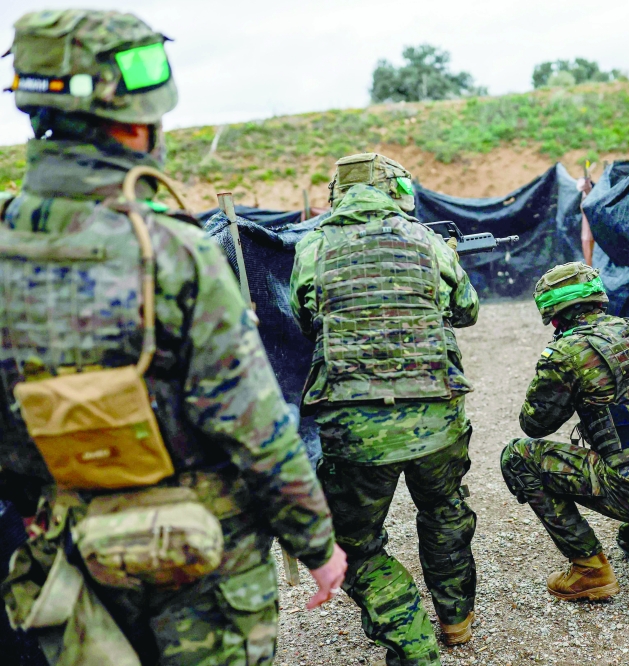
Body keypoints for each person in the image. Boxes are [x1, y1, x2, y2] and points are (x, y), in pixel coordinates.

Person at [0, 9, 346, 665]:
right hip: (200, 568)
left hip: (64, 563)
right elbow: (255, 424)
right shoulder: (173, 250)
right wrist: (317, 546)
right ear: (130, 118)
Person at [290, 153, 479, 666]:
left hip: (354, 429)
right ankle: (454, 620)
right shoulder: (427, 240)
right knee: (444, 512)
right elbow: (467, 311)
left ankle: (412, 641)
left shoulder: (314, 244)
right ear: (394, 188)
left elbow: (307, 319)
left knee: (352, 544)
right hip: (437, 418)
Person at [500, 262, 629, 604]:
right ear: (599, 299)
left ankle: (589, 570)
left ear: (553, 315)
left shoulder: (567, 352)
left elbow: (534, 425)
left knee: (518, 457)